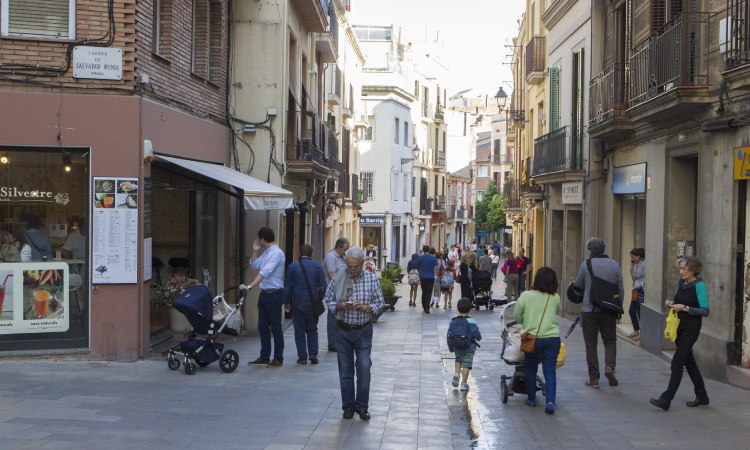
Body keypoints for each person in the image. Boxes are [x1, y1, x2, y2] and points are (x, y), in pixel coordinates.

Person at [324, 246, 385, 420]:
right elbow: (329, 299)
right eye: (350, 266)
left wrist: (367, 308)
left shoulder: (372, 279)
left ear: (363, 264)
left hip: (363, 330)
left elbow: (380, 304)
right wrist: (339, 306)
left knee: (364, 368)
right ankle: (348, 407)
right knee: (345, 371)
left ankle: (362, 406)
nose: (353, 270)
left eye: (356, 266)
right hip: (343, 329)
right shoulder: (339, 277)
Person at [650, 256, 710, 411]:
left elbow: (705, 310)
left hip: (691, 328)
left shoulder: (699, 286)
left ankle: (666, 399)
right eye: (680, 269)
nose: (681, 272)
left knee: (677, 361)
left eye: (684, 269)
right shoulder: (681, 283)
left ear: (693, 270)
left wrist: (684, 308)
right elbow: (678, 300)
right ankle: (702, 395)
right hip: (678, 326)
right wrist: (671, 303)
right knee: (689, 362)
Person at [573, 237, 624, 388]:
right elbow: (620, 289)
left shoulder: (586, 264)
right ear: (603, 249)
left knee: (591, 344)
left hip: (589, 310)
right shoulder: (614, 265)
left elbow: (578, 286)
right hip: (608, 310)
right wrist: (618, 305)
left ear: (590, 250)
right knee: (610, 339)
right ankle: (610, 366)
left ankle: (594, 378)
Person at [514, 267, 562, 414]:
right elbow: (557, 311)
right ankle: (550, 402)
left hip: (532, 338)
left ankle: (531, 399)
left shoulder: (526, 295)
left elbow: (517, 315)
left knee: (530, 367)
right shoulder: (555, 297)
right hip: (552, 338)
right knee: (549, 370)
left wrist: (526, 321)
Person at [242, 227, 286, 368]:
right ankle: (264, 356)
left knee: (275, 328)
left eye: (258, 239)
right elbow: (254, 266)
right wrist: (255, 251)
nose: (258, 242)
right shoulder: (267, 252)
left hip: (274, 294)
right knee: (262, 327)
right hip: (265, 294)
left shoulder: (277, 254)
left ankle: (278, 358)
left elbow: (264, 272)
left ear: (262, 239)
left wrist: (250, 286)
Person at [283, 244, 328, 365]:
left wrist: (286, 302)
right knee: (312, 329)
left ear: (299, 253)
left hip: (297, 302)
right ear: (311, 253)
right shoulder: (317, 267)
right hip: (312, 302)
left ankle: (302, 357)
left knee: (299, 330)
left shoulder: (292, 267)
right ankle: (313, 354)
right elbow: (324, 286)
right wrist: (320, 297)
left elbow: (288, 286)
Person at [447, 298, 482, 392]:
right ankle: (464, 384)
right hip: (469, 347)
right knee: (466, 365)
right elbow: (476, 334)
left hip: (457, 346)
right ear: (469, 309)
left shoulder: (453, 321)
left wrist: (450, 345)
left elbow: (449, 333)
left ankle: (456, 374)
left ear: (458, 309)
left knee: (458, 359)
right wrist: (479, 338)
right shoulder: (471, 321)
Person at [323, 237, 350, 352]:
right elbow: (331, 275)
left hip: (340, 290)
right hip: (334, 291)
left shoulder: (341, 257)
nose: (346, 252)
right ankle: (332, 343)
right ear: (339, 248)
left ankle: (338, 341)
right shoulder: (331, 257)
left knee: (340, 317)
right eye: (345, 249)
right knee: (333, 317)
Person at [628, 248, 646, 341]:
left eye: (633, 257)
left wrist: (638, 285)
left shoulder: (644, 264)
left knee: (640, 311)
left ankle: (642, 334)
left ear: (638, 256)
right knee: (631, 310)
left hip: (641, 289)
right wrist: (631, 266)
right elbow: (633, 277)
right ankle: (636, 330)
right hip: (635, 289)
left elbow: (646, 278)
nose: (632, 258)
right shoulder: (635, 264)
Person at [417, 245, 439, 313]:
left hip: (423, 277)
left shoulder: (420, 258)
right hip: (430, 277)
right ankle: (427, 307)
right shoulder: (433, 258)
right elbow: (436, 267)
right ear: (429, 250)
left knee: (424, 291)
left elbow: (418, 266)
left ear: (423, 250)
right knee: (429, 292)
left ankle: (424, 306)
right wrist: (434, 273)